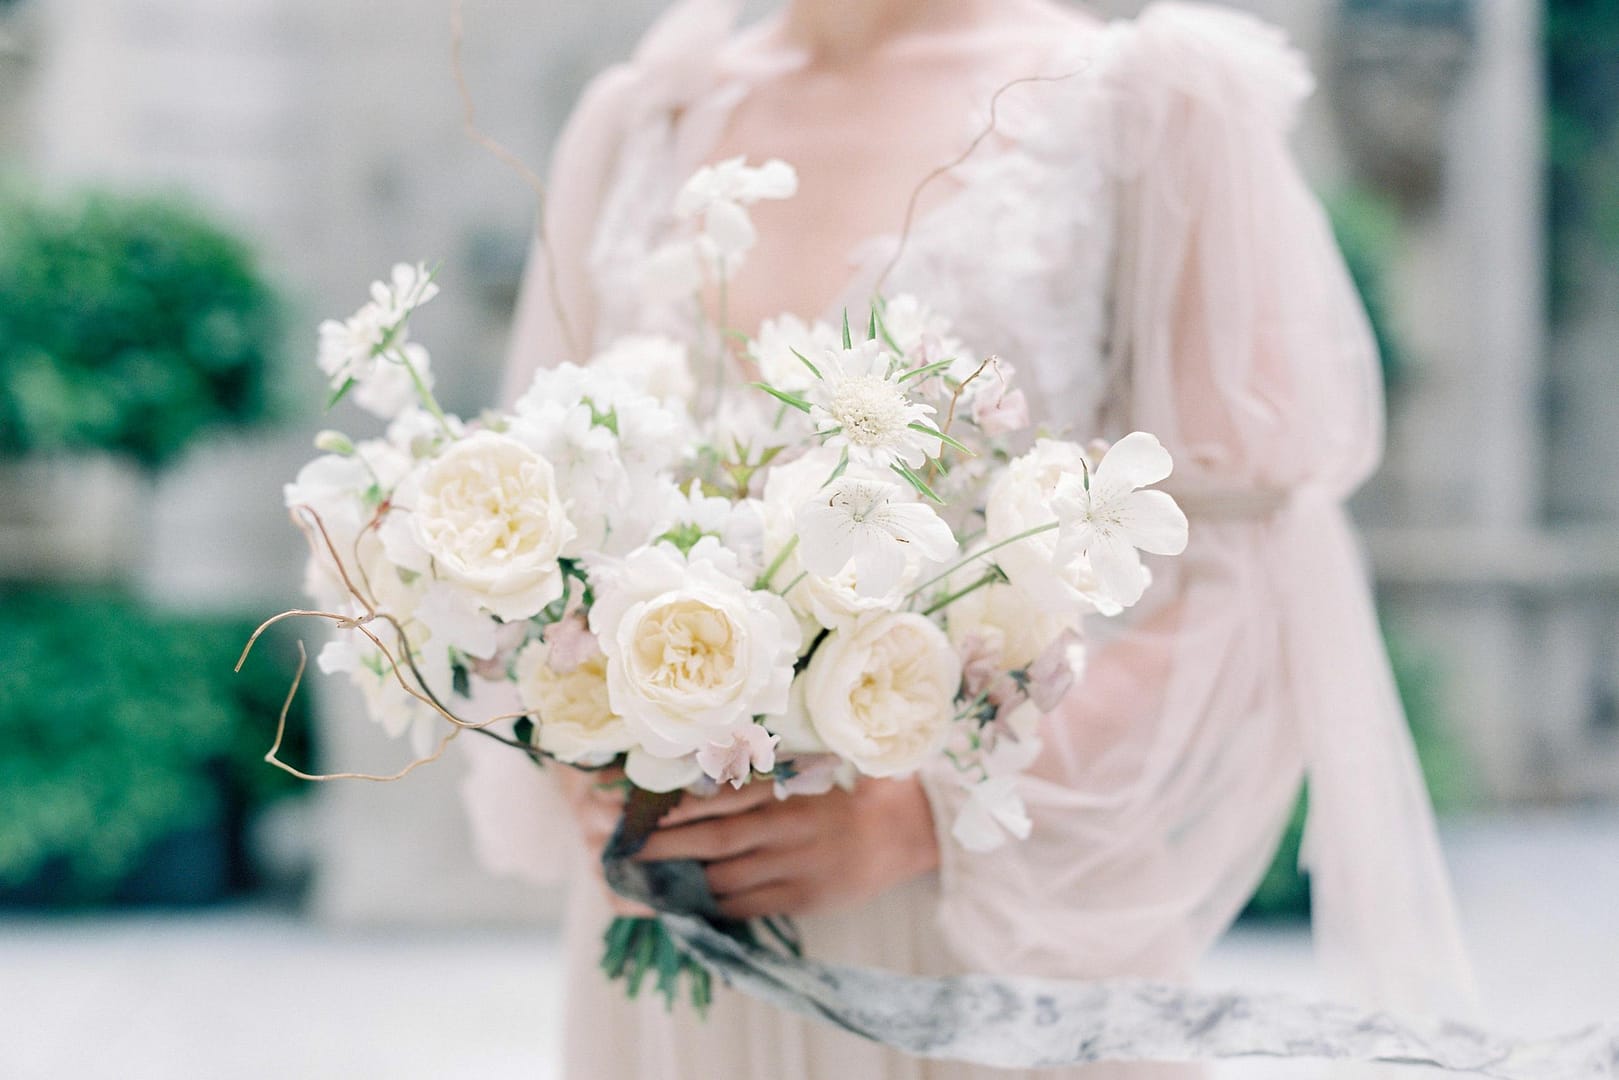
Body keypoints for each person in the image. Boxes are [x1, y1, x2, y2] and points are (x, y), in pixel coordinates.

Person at [462, 1, 1476, 1076]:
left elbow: (1255, 573)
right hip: (673, 962)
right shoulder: (643, 119)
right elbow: (538, 508)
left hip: (985, 944)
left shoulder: (1141, 104)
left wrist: (929, 812)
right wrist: (578, 725)